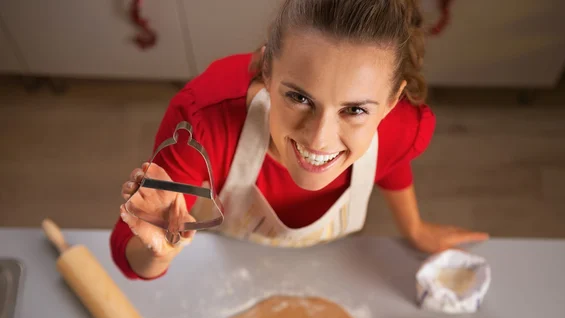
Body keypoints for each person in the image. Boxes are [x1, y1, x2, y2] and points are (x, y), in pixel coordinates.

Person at [111, 0, 489, 280]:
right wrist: (160, 251)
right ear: (267, 72)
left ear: (389, 105)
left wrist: (414, 228)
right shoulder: (200, 127)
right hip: (231, 264)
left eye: (355, 110)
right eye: (299, 97)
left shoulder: (404, 127)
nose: (319, 139)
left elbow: (391, 162)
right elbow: (126, 255)